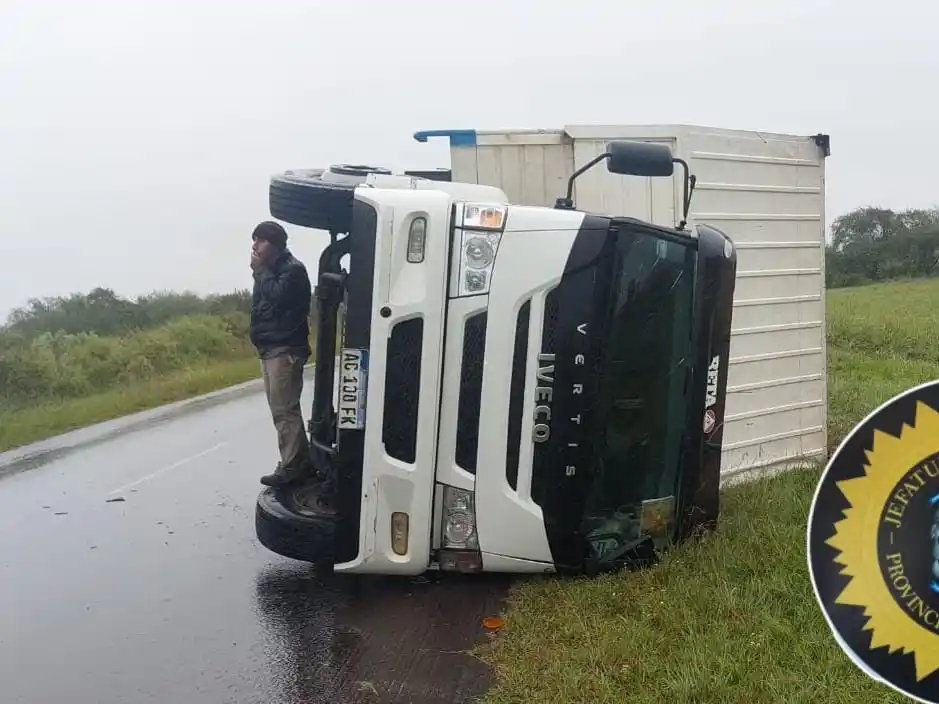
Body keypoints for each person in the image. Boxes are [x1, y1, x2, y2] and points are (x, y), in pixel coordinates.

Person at [249, 221, 313, 487]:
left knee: (284, 410)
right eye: (254, 240)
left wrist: (260, 272)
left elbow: (278, 297)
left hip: (285, 348)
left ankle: (293, 466)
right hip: (269, 348)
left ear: (275, 244)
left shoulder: (292, 270)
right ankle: (299, 461)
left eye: (261, 240)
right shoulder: (269, 272)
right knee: (280, 409)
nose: (255, 246)